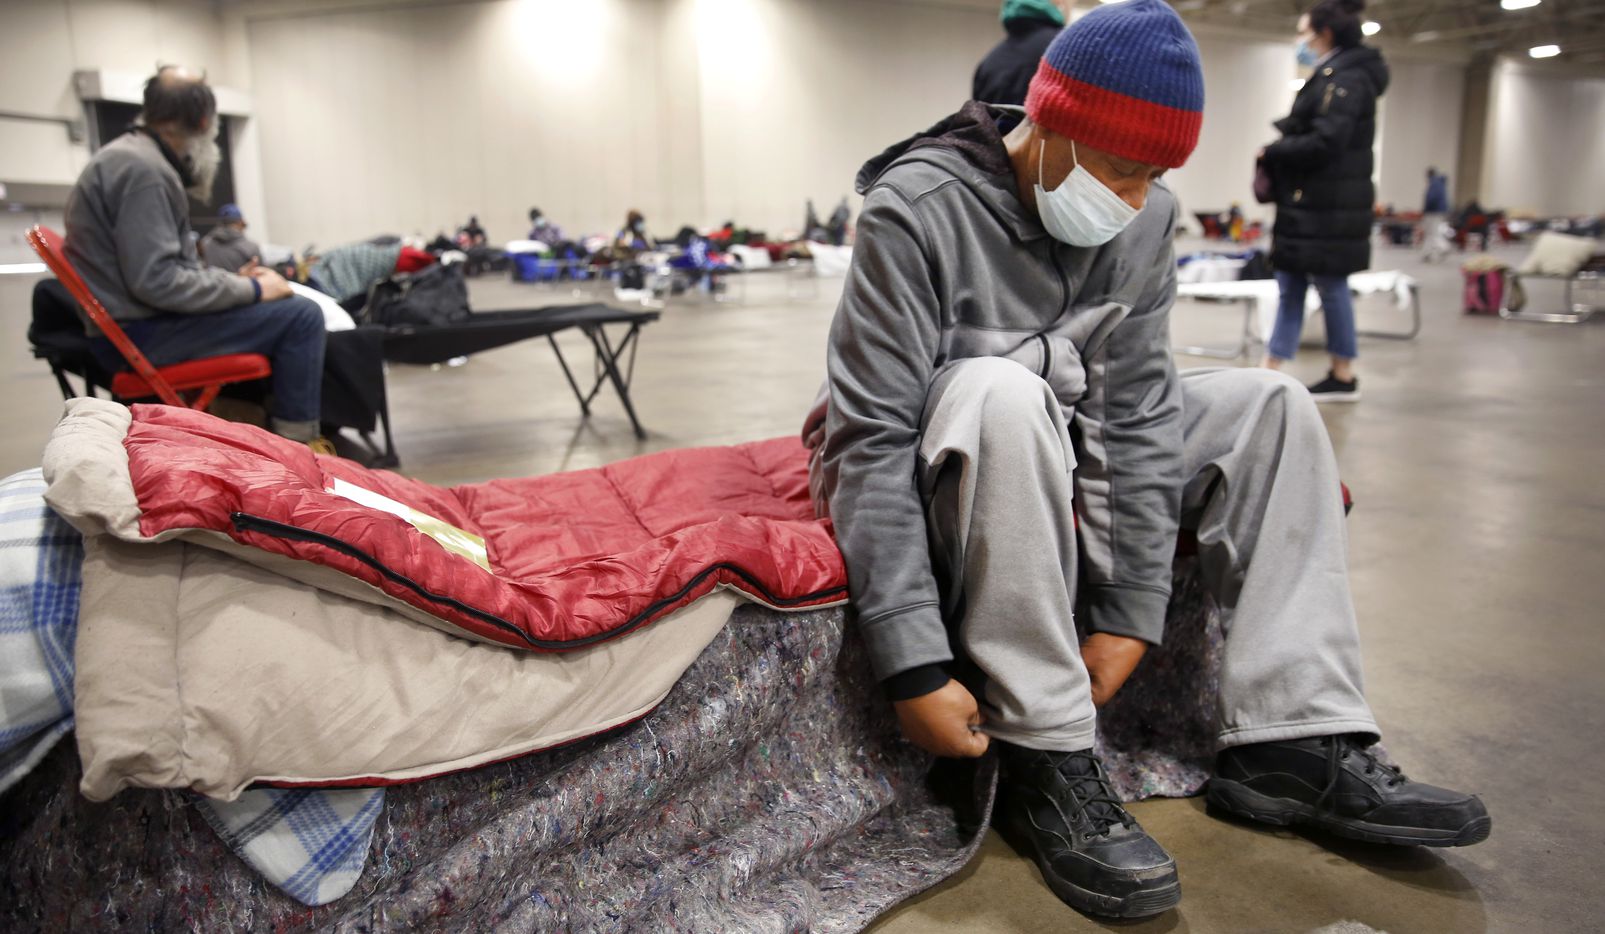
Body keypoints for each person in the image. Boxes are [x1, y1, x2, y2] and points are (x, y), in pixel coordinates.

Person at [804, 0, 1487, 921]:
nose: (1133, 200)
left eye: (1154, 175)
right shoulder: (915, 210)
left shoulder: (1140, 219)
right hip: (947, 449)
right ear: (1047, 125)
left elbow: (1134, 412)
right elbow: (873, 438)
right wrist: (914, 665)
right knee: (1006, 391)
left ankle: (1292, 740)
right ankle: (1046, 755)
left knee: (1270, 404)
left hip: (1060, 432)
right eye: (1121, 169)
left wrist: (1130, 611)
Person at [64, 66, 330, 451]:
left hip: (132, 326)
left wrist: (235, 284)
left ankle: (271, 439)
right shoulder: (146, 171)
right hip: (141, 334)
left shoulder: (129, 157)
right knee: (301, 316)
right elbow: (157, 281)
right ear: (205, 121)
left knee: (285, 307)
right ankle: (300, 451)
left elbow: (159, 271)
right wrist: (252, 288)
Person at [1258, 0, 1387, 403]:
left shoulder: (1346, 79)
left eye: (1304, 32)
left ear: (1325, 33)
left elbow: (1328, 140)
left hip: (1328, 204)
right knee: (1291, 282)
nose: (1301, 40)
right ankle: (1271, 365)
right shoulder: (1336, 73)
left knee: (1331, 285)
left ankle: (1343, 373)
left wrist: (1277, 151)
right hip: (1313, 202)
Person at [972, 0, 1066, 134]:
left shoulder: (988, 62)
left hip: (997, 151)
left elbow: (977, 124)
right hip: (1046, 151)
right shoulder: (1063, 48)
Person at [198, 203, 260, 273]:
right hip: (242, 283)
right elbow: (262, 276)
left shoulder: (205, 244)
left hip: (214, 284)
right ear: (240, 222)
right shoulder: (251, 247)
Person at [1421, 167, 1451, 261]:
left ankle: (1444, 247)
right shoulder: (1439, 183)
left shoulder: (1434, 183)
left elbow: (1431, 198)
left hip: (1433, 212)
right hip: (1438, 211)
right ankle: (1427, 253)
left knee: (1433, 233)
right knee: (1430, 233)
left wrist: (1426, 209)